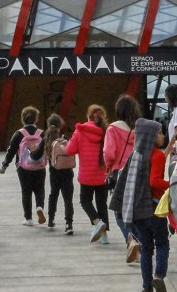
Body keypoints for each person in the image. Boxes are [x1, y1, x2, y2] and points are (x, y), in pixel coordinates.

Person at [109, 118, 171, 292]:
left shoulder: (134, 155)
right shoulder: (157, 155)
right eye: (159, 133)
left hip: (137, 210)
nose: (162, 136)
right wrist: (172, 184)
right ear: (151, 137)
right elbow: (154, 182)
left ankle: (147, 289)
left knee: (145, 248)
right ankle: (159, 276)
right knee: (162, 244)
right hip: (154, 208)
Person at [66, 104, 110, 243]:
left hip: (86, 175)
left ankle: (98, 223)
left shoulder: (81, 130)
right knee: (101, 203)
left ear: (88, 116)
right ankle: (104, 237)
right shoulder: (106, 131)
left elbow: (69, 150)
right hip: (103, 174)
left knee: (85, 201)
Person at [0, 106, 47, 227]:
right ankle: (40, 207)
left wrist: (5, 165)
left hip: (23, 167)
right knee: (39, 189)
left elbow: (11, 150)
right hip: (40, 166)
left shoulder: (19, 134)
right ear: (36, 119)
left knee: (26, 191)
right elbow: (48, 150)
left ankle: (28, 218)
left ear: (22, 119)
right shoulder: (42, 133)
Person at [105, 94, 140, 254]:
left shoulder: (113, 128)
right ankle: (140, 242)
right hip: (139, 173)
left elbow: (109, 153)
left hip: (120, 174)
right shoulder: (140, 128)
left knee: (119, 211)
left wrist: (109, 167)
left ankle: (131, 239)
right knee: (136, 210)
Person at [44, 113, 75, 234]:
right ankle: (69, 224)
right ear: (60, 125)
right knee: (68, 199)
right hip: (67, 172)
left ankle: (51, 219)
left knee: (53, 195)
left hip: (54, 172)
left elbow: (36, 156)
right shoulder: (65, 138)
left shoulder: (46, 139)